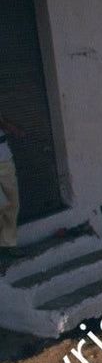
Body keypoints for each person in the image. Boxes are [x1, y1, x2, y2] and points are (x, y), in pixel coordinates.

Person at [0, 110, 26, 266]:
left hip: (5, 165)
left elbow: (20, 133)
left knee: (12, 204)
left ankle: (9, 244)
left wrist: (3, 122)